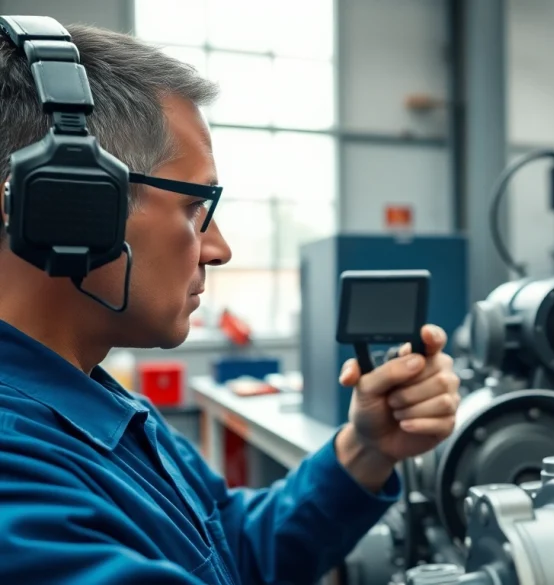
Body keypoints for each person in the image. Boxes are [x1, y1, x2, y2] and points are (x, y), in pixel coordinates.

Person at [0, 22, 461, 585]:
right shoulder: (16, 480)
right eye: (196, 208)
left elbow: (233, 547)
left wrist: (367, 448)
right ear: (67, 203)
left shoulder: (101, 406)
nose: (218, 250)